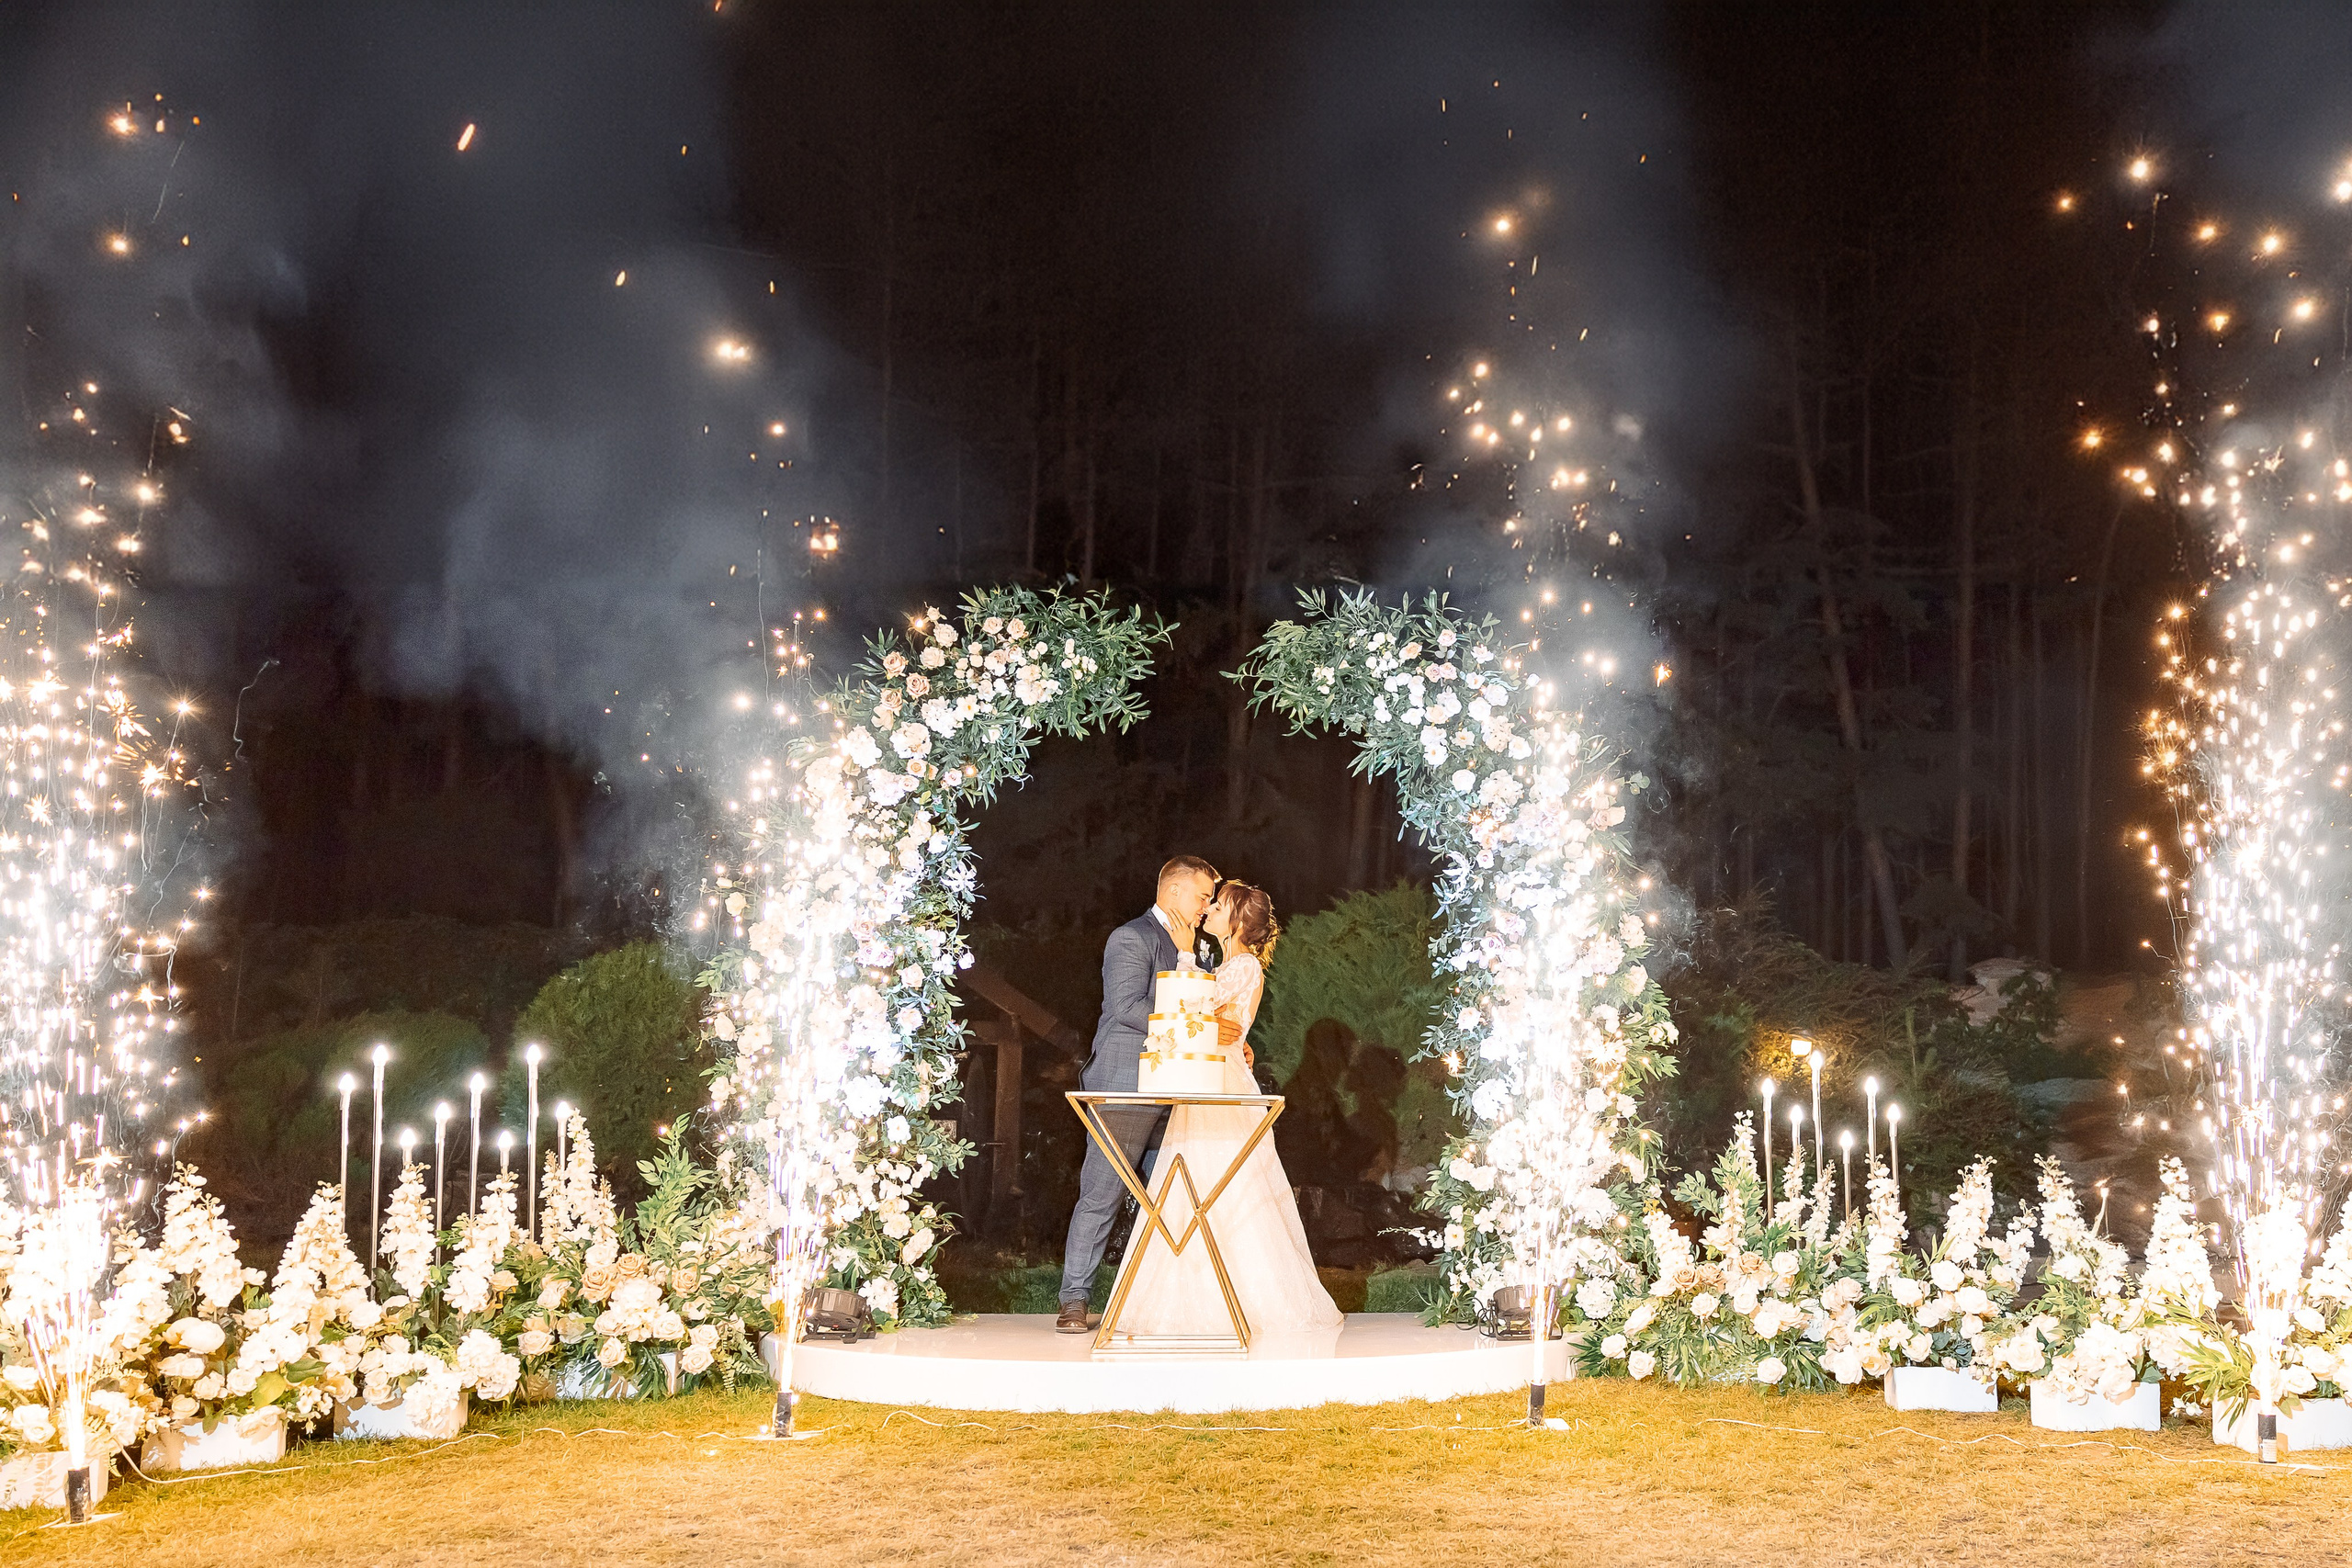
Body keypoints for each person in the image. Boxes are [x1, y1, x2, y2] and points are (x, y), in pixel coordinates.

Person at [1113, 880, 1343, 1341]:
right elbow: (1209, 1020)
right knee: (1190, 1185)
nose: (1209, 911)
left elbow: (1191, 1006)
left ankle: (1240, 1302)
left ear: (1237, 919)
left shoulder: (1242, 967)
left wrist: (1182, 953)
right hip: (1207, 1077)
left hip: (1221, 1085)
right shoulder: (1230, 965)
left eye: (1217, 905)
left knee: (1223, 1187)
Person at [1057, 854, 1220, 1333]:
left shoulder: (1198, 948)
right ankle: (1074, 1299)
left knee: (1175, 1198)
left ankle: (1168, 1304)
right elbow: (1127, 1006)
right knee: (1103, 1193)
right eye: (1201, 896)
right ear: (1172, 891)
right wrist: (1197, 1022)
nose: (1206, 907)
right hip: (1127, 1082)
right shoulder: (1132, 937)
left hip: (1180, 1088)